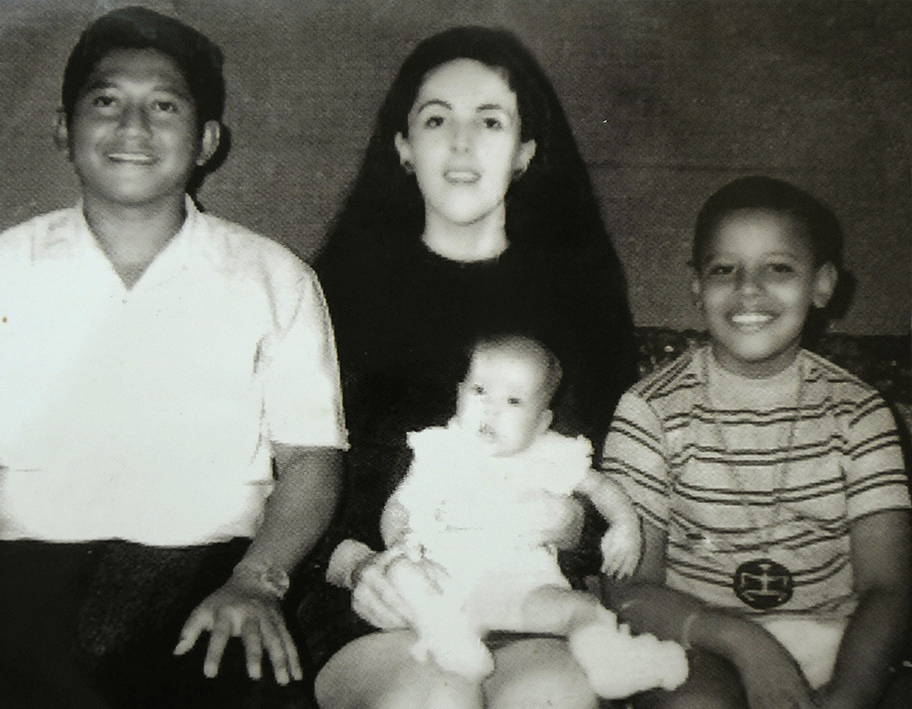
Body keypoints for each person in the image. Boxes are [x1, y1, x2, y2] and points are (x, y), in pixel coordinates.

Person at [0, 7, 346, 709]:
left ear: (206, 139)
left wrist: (255, 578)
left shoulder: (275, 278)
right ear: (64, 129)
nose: (133, 128)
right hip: (27, 592)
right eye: (106, 101)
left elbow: (313, 457)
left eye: (164, 106)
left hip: (209, 589)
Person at [311, 26, 639, 709]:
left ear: (524, 152)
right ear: (403, 147)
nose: (462, 143)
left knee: (558, 696)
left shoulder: (581, 302)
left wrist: (573, 527)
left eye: (489, 120)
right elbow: (281, 479)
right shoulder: (328, 295)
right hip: (378, 607)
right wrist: (354, 565)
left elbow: (605, 480)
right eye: (437, 119)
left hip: (528, 603)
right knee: (435, 699)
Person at [601, 176, 912, 709]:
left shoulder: (860, 414)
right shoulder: (648, 410)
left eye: (779, 268)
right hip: (699, 638)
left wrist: (851, 694)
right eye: (724, 269)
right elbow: (627, 588)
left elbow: (889, 587)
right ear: (697, 285)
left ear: (822, 285)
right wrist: (748, 644)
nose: (748, 288)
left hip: (832, 637)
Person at [333, 333, 687, 700]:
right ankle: (449, 639)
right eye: (480, 391)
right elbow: (401, 503)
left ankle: (610, 660)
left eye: (514, 400)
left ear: (542, 421)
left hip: (521, 592)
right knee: (400, 570)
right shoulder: (440, 450)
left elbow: (603, 489)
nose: (491, 409)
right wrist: (399, 538)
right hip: (446, 584)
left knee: (581, 608)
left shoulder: (551, 453)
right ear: (458, 393)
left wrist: (625, 526)